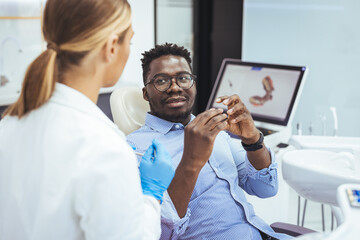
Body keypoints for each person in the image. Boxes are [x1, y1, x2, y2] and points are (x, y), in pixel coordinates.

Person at [0, 1, 174, 239]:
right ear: (112, 46)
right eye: (129, 41)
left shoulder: (8, 124)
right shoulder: (104, 147)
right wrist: (151, 195)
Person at [126, 43, 292, 240]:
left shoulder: (216, 130)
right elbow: (158, 233)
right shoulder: (134, 150)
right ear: (146, 93)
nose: (175, 87)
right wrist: (191, 160)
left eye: (183, 78)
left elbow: (265, 188)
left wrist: (252, 139)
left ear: (193, 85)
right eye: (161, 81)